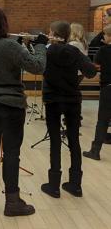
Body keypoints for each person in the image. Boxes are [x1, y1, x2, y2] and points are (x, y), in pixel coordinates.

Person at [0, 7, 46, 217]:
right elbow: (38, 66)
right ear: (3, 24)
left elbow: (1, 58)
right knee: (12, 154)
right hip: (12, 107)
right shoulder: (10, 46)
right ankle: (12, 201)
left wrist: (22, 47)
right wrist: (40, 45)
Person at [40, 21, 97, 199]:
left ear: (53, 34)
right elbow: (90, 72)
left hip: (53, 100)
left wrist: (40, 46)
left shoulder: (48, 51)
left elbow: (38, 67)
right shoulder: (74, 51)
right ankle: (75, 185)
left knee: (55, 140)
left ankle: (54, 185)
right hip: (72, 100)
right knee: (74, 141)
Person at [83, 24, 111, 160]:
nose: (103, 37)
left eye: (104, 35)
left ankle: (95, 151)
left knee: (103, 120)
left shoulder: (103, 51)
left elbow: (94, 68)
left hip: (108, 87)